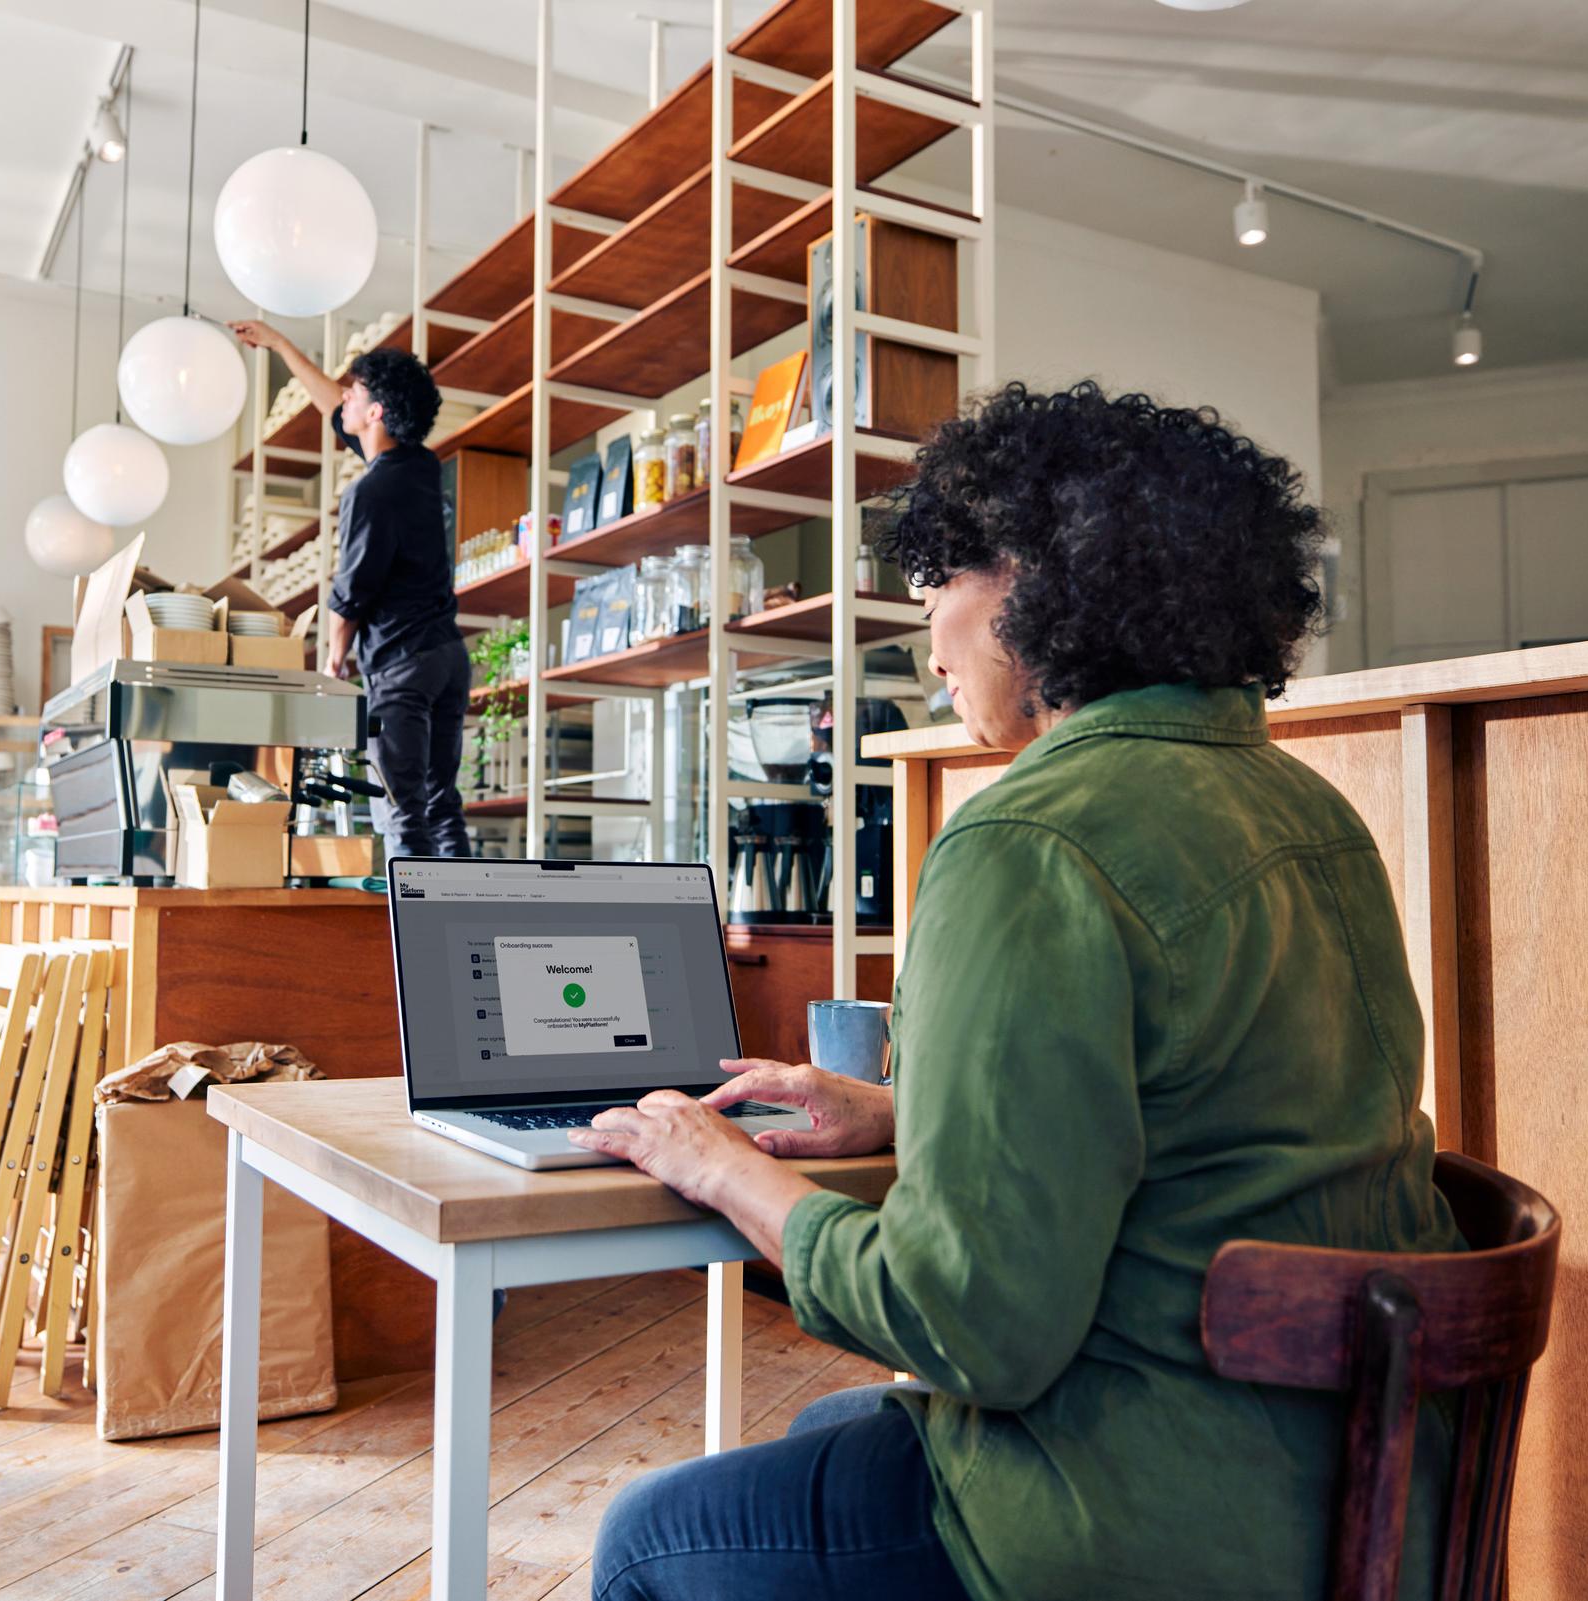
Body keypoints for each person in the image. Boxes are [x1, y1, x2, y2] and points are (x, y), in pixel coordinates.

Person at [571, 381, 1463, 1601]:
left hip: (1147, 1524)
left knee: (648, 1538)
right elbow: (1211, 1117)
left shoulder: (1025, 839)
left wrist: (728, 1166)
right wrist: (900, 1108)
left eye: (937, 590)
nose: (928, 639)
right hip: (1368, 1495)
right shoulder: (1315, 815)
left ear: (1031, 580)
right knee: (822, 1437)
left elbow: (968, 1326)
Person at [230, 321, 470, 861]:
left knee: (401, 808)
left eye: (355, 393)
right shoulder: (420, 467)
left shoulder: (370, 489)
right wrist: (281, 345)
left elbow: (352, 590)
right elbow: (333, 408)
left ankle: (419, 935)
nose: (344, 397)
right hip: (447, 655)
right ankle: (465, 923)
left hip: (402, 663)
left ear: (376, 412)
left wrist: (334, 658)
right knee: (439, 802)